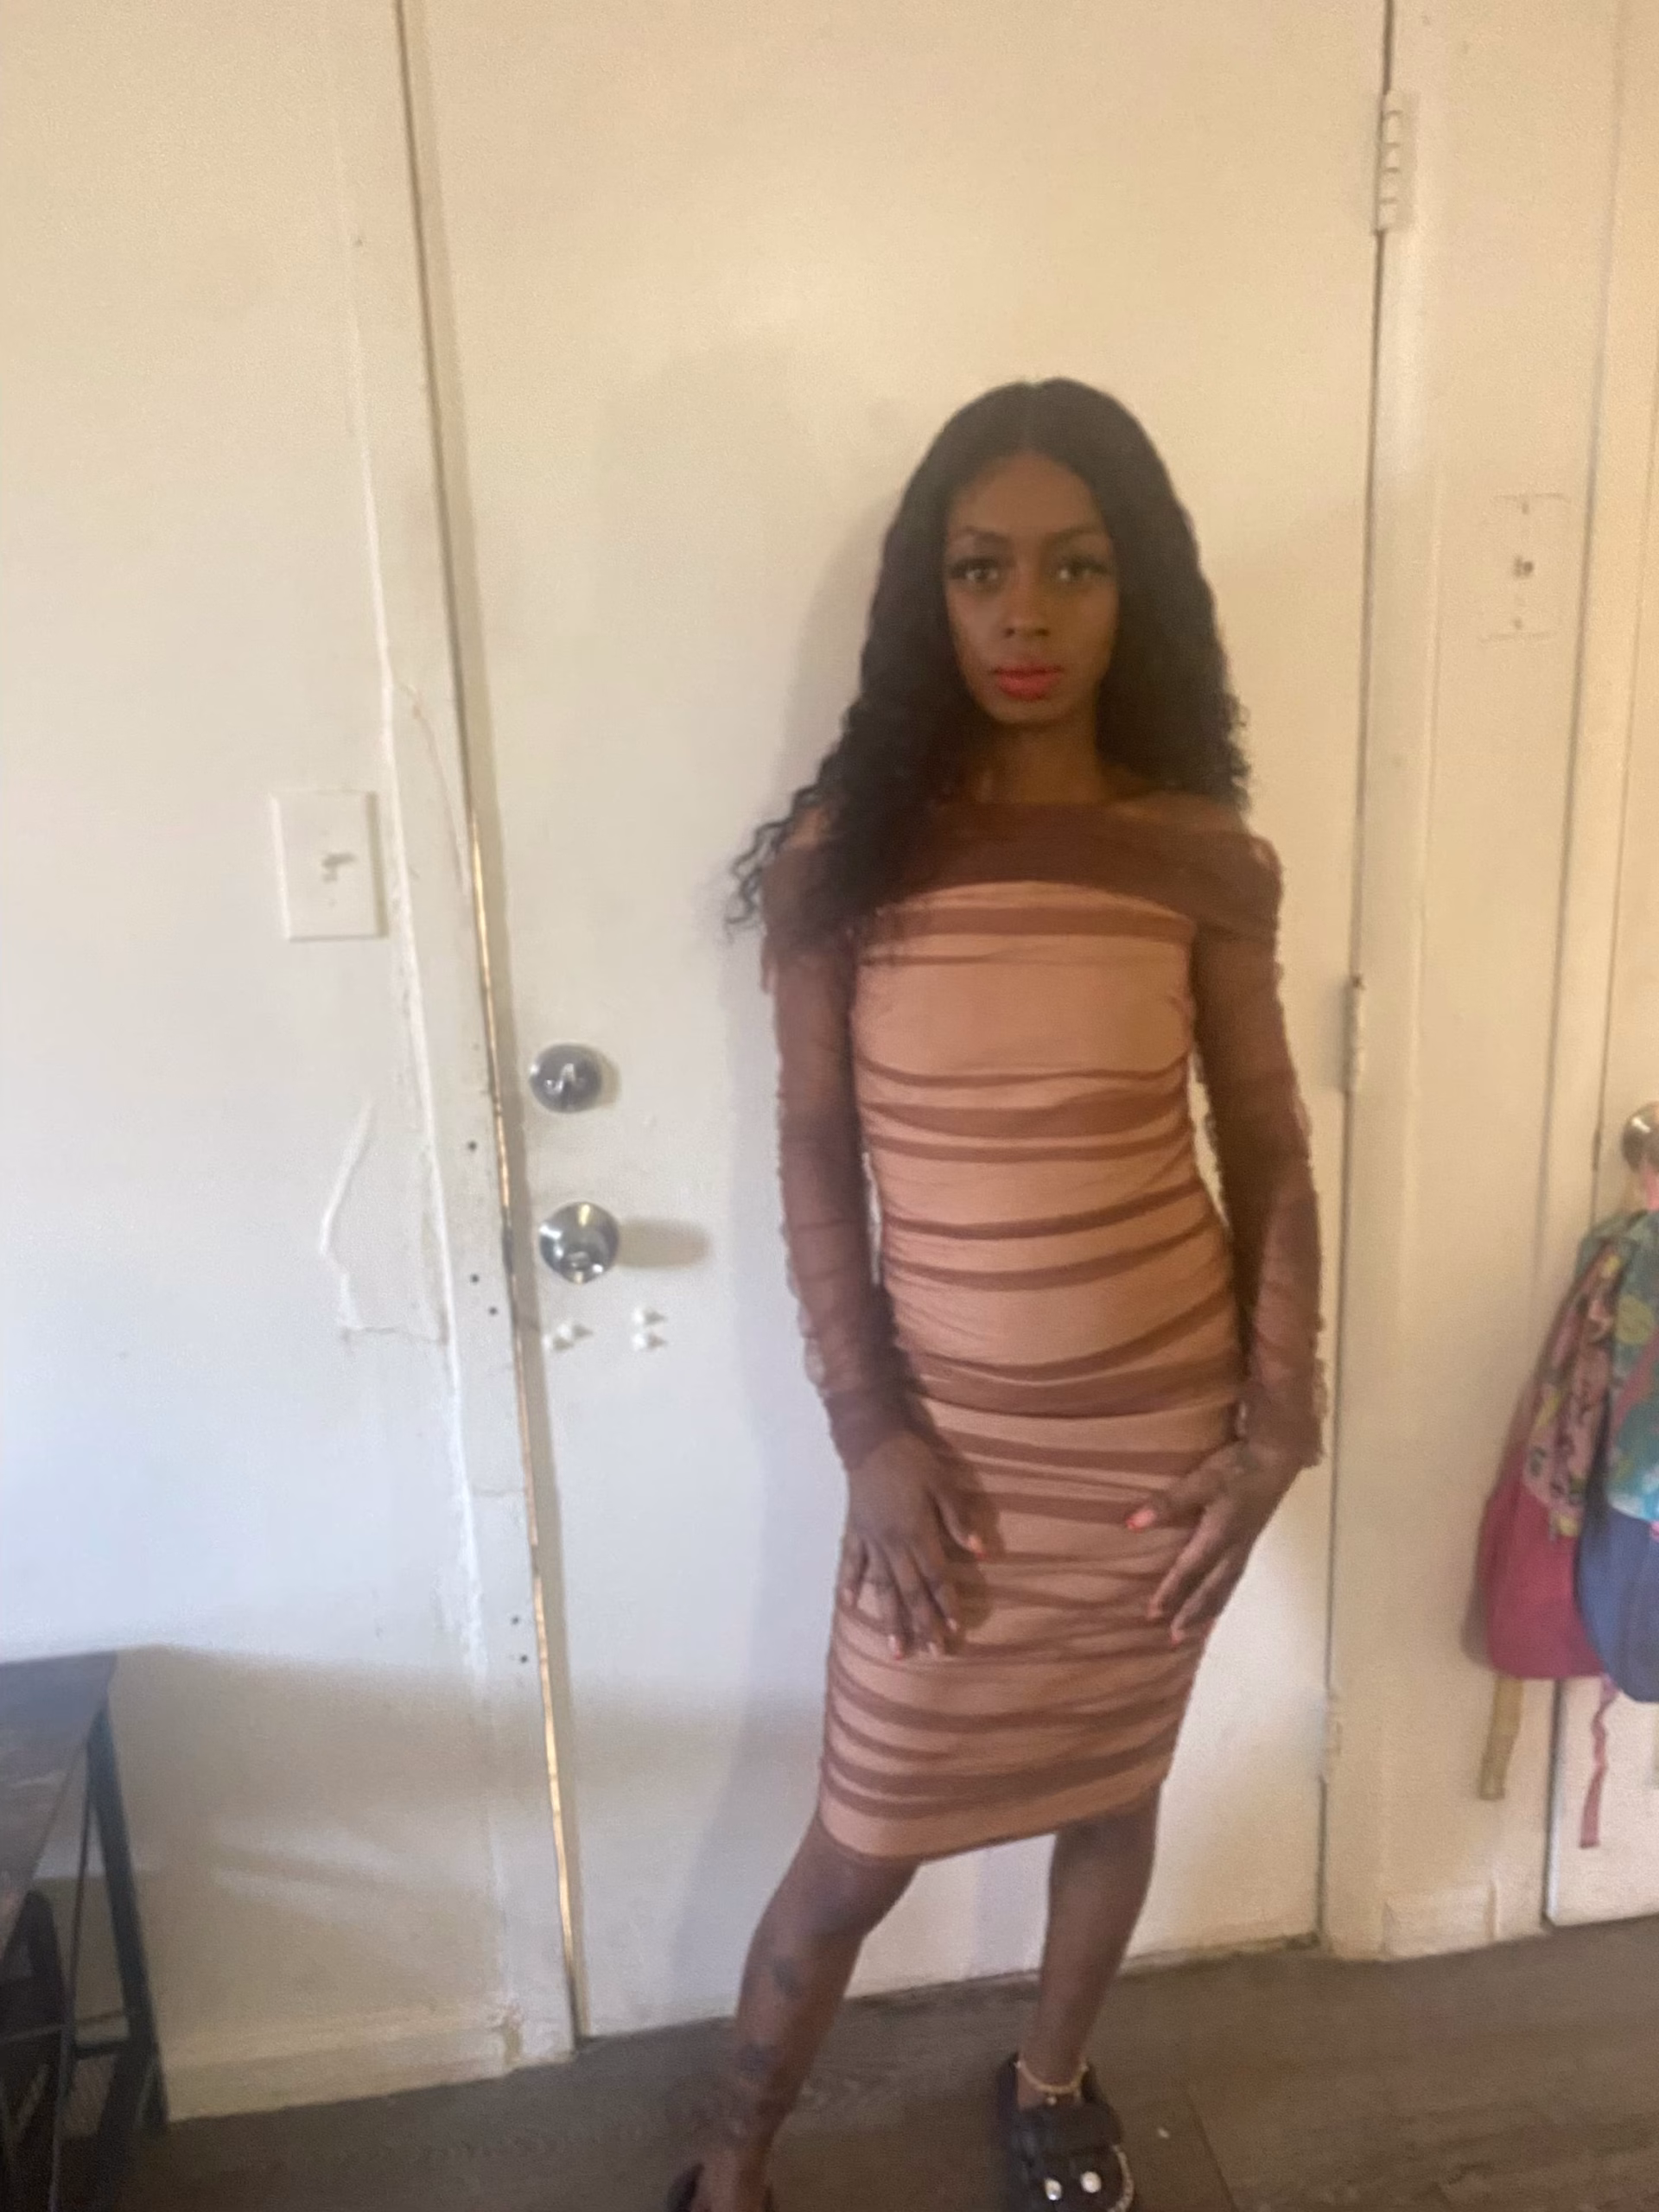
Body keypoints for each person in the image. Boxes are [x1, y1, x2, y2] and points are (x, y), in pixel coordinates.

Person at [666, 378, 1325, 2212]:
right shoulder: (845, 858)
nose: (1027, 613)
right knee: (858, 1845)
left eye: (1075, 567)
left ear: (1137, 591)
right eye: (981, 570)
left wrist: (1279, 1420)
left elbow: (1268, 1144)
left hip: (1160, 1453)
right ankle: (731, 2160)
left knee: (1113, 1789)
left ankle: (1051, 2083)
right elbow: (816, 1155)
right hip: (942, 1466)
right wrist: (869, 1434)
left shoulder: (1199, 852)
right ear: (929, 597)